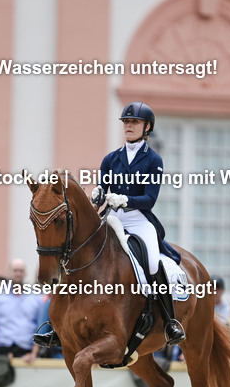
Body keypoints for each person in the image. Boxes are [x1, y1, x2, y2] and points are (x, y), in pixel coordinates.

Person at [33, 101, 184, 348]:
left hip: (138, 220)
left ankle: (169, 321)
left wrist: (126, 199)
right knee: (74, 254)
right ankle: (56, 325)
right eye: (126, 122)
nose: (128, 126)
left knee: (153, 261)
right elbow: (103, 186)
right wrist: (98, 193)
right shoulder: (111, 159)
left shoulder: (153, 160)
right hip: (112, 218)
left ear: (147, 127)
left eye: (134, 122)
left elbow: (150, 199)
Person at [0, 259, 41, 365]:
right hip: (2, 348)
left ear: (25, 273)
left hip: (26, 351)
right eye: (15, 270)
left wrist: (34, 353)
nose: (18, 274)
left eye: (21, 271)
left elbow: (40, 327)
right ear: (9, 272)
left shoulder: (36, 298)